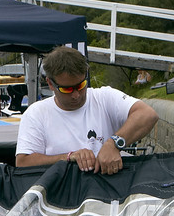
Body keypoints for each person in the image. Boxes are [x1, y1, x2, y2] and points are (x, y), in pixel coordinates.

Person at [14, 46, 158, 174]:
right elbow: (23, 162)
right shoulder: (36, 113)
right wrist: (69, 157)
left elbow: (148, 115)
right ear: (50, 84)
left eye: (81, 85)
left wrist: (113, 144)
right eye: (67, 89)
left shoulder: (104, 97)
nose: (76, 95)